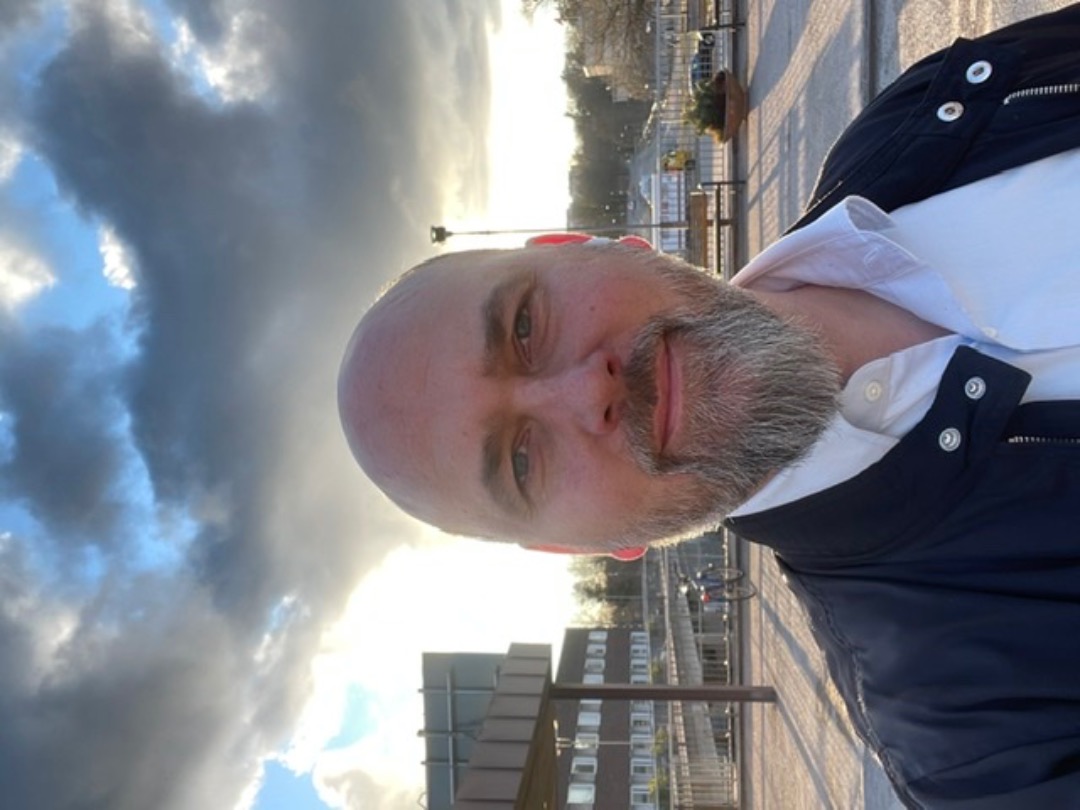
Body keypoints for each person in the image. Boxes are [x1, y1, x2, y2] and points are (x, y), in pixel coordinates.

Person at [339, 5, 1080, 807]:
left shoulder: (935, 114)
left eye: (524, 326)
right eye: (521, 459)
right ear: (582, 546)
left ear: (584, 244)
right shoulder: (979, 738)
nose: (586, 392)